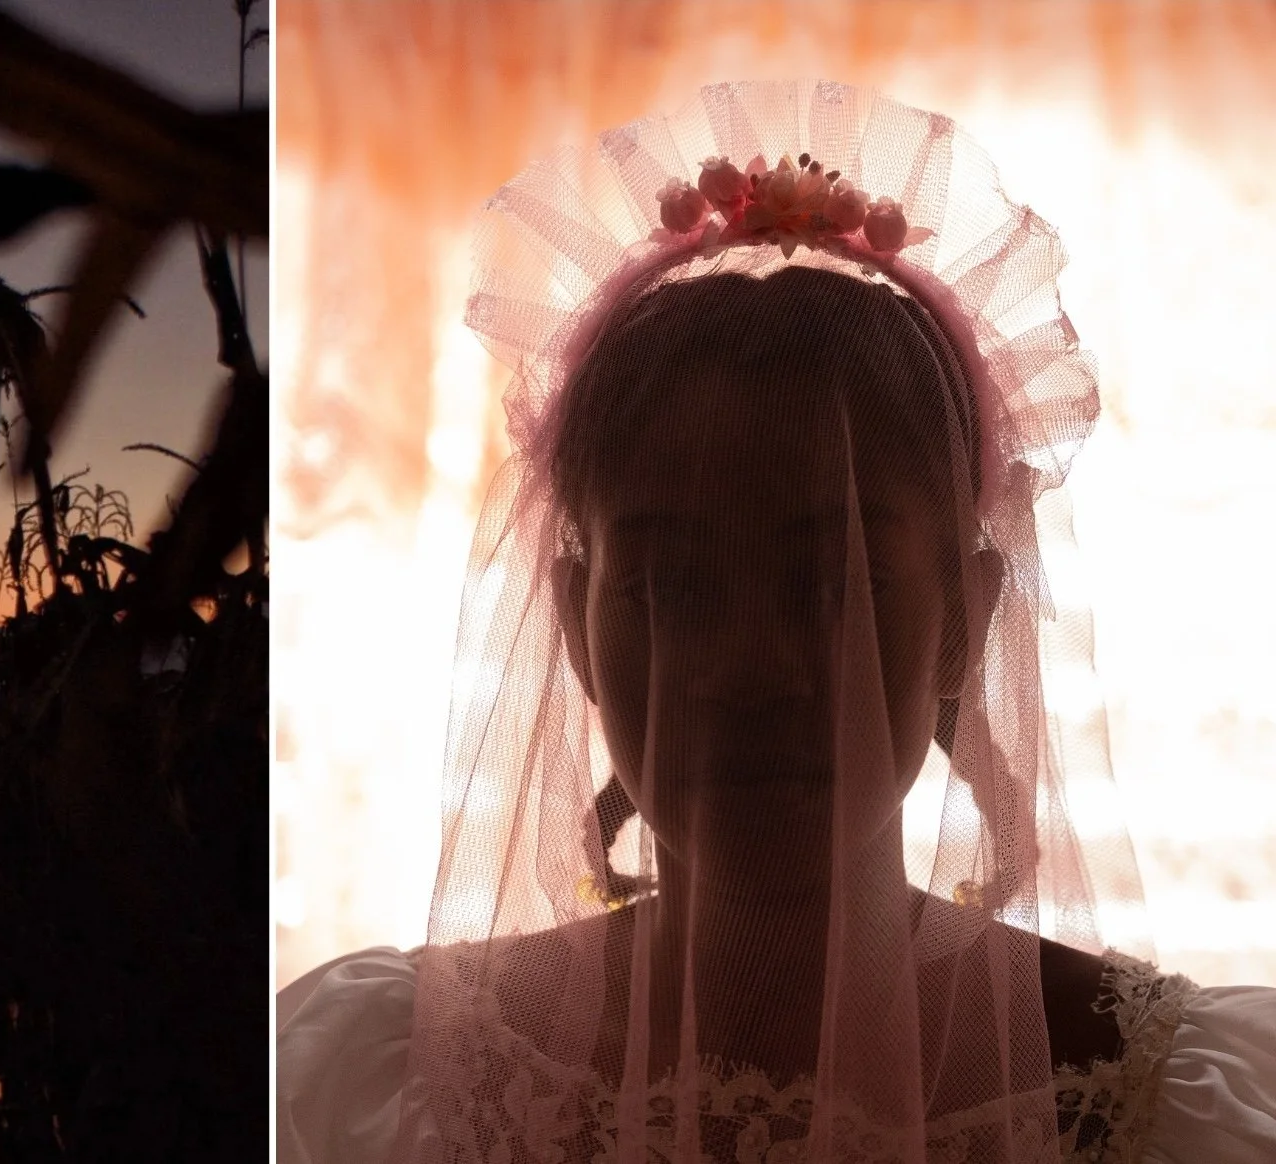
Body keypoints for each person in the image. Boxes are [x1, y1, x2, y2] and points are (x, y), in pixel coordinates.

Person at [276, 81, 1276, 1163]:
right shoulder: (369, 1074)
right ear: (572, 624)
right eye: (670, 586)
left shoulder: (1171, 1106)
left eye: (830, 583)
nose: (750, 669)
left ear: (963, 618)